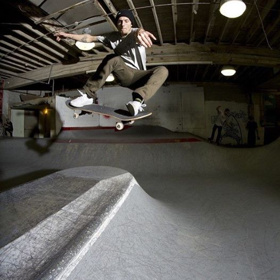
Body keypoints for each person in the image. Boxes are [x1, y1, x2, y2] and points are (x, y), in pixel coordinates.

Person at [55, 10, 168, 116]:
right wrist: (67, 35)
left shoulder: (135, 33)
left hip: (140, 77)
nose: (123, 24)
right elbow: (88, 38)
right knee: (112, 58)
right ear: (117, 24)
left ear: (131, 24)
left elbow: (140, 31)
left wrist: (141, 32)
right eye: (120, 21)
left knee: (163, 70)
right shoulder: (111, 37)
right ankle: (88, 96)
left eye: (126, 21)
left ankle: (137, 102)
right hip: (125, 74)